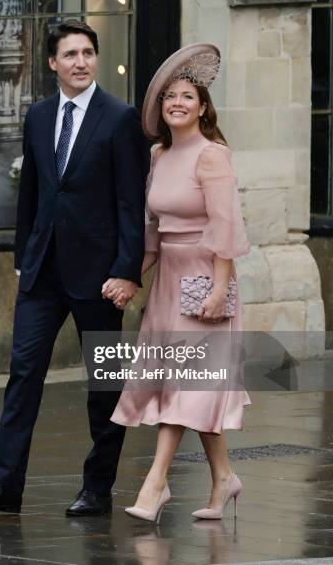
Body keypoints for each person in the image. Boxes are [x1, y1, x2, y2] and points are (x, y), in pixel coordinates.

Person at [0, 19, 149, 516]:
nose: (81, 62)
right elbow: (33, 194)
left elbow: (132, 202)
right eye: (70, 55)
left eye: (88, 52)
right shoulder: (39, 116)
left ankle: (97, 489)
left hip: (101, 277)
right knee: (23, 375)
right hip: (42, 273)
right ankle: (4, 486)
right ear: (53, 63)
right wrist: (23, 258)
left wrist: (128, 271)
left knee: (103, 383)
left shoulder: (120, 117)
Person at [109, 43, 251, 522]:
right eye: (169, 96)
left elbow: (226, 228)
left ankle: (155, 485)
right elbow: (153, 231)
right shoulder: (158, 154)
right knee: (188, 385)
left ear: (203, 106)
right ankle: (225, 478)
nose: (177, 102)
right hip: (169, 283)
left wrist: (218, 288)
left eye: (187, 96)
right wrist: (131, 278)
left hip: (205, 284)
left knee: (186, 386)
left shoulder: (213, 156)